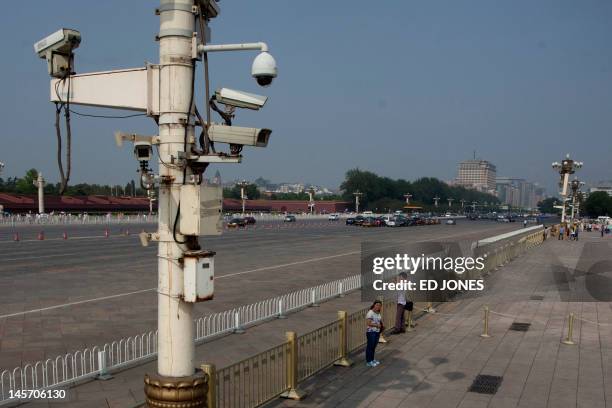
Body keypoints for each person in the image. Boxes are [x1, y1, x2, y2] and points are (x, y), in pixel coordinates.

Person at [365, 300, 383, 367]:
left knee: (374, 346)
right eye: (377, 305)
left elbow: (379, 320)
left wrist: (381, 326)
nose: (378, 307)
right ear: (374, 305)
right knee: (370, 346)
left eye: (380, 305)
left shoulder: (378, 313)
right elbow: (368, 323)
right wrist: (377, 325)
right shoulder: (370, 313)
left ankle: (372, 359)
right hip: (371, 332)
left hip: (377, 331)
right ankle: (368, 361)